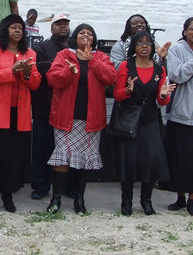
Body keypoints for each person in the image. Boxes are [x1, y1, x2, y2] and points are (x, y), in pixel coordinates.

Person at [45, 23, 116, 214]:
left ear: (94, 39)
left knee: (84, 161)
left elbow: (110, 78)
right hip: (65, 117)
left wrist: (93, 61)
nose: (86, 35)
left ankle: (79, 199)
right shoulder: (64, 55)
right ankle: (56, 199)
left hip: (91, 119)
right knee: (62, 159)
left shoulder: (101, 57)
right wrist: (68, 71)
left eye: (89, 33)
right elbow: (52, 79)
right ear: (75, 37)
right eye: (82, 33)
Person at [0, 14, 41, 212]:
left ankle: (7, 195)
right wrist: (11, 71)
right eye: (14, 27)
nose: (18, 31)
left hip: (19, 113)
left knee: (13, 157)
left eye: (20, 28)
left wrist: (27, 74)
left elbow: (36, 84)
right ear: (5, 30)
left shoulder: (30, 53)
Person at [113, 30, 176, 215]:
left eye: (148, 43)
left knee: (151, 159)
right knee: (129, 160)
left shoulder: (159, 69)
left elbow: (162, 100)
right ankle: (126, 201)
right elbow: (117, 94)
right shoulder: (126, 65)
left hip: (150, 119)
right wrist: (127, 91)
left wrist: (163, 95)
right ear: (134, 46)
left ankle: (146, 200)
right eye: (140, 43)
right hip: (129, 118)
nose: (144, 46)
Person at [164, 17, 193, 217]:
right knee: (179, 157)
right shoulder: (176, 49)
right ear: (185, 32)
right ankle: (180, 197)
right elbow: (177, 75)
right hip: (180, 114)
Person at [30, 15, 71, 199]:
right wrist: (60, 64)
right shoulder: (41, 47)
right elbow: (37, 68)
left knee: (66, 151)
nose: (63, 27)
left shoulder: (74, 47)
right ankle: (40, 186)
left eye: (66, 24)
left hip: (68, 109)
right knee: (42, 149)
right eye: (59, 24)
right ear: (51, 28)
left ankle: (65, 187)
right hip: (44, 107)